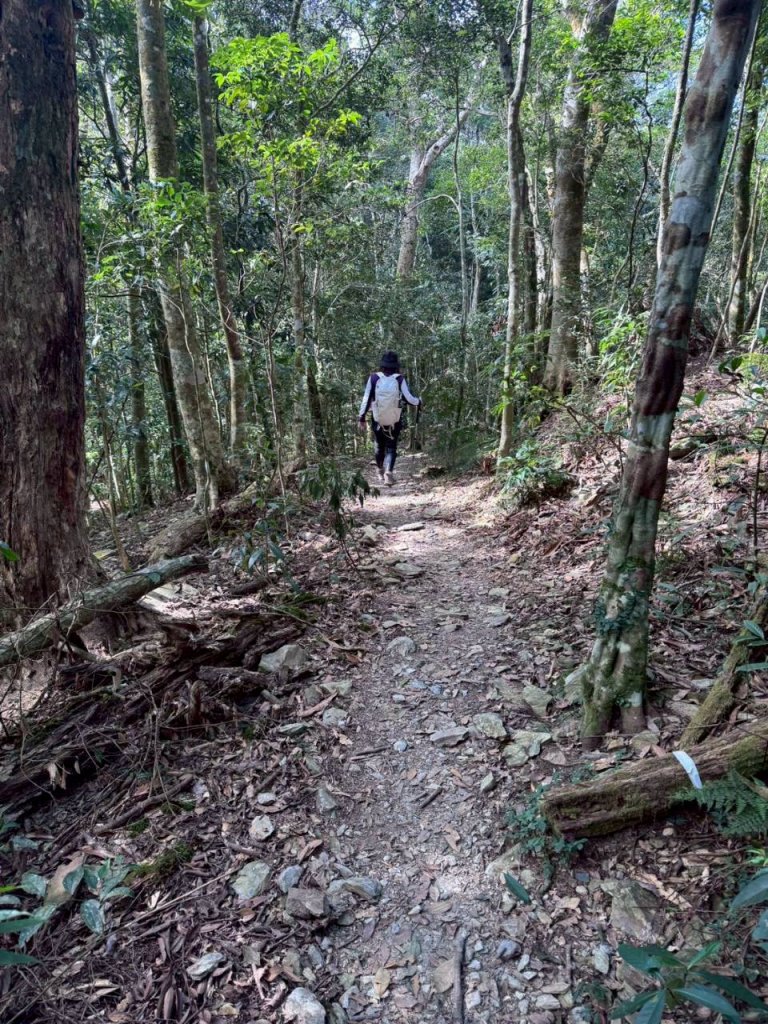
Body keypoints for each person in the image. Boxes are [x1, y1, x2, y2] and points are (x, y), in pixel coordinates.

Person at [358, 351, 422, 485]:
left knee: (379, 445)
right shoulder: (399, 379)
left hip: (377, 419)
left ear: (383, 365)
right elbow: (408, 398)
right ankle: (389, 472)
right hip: (394, 420)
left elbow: (366, 398)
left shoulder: (374, 378)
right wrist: (419, 401)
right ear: (395, 366)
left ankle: (380, 469)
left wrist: (361, 418)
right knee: (392, 447)